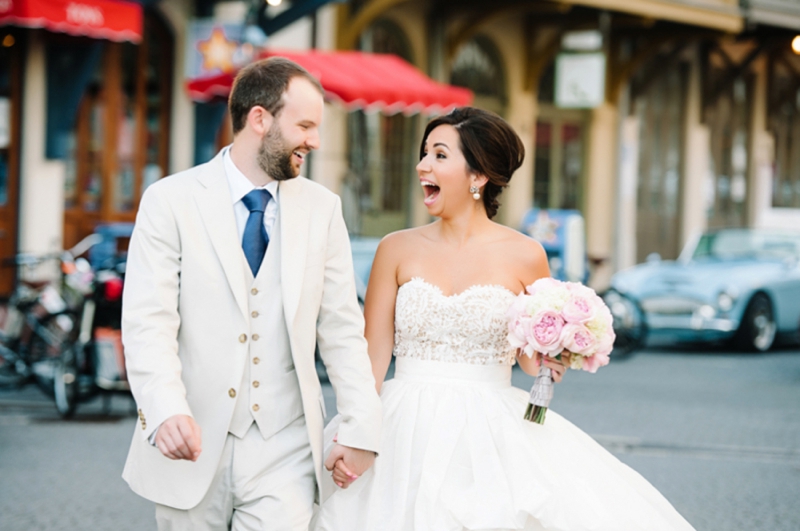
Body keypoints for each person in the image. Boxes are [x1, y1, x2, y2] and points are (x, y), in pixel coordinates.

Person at [313, 107, 696, 531]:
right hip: (402, 426)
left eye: (439, 155)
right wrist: (355, 433)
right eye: (424, 154)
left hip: (490, 432)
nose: (423, 165)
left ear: (478, 176)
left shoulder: (526, 254)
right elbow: (371, 361)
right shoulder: (395, 249)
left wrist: (557, 358)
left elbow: (530, 360)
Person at [121, 57, 382, 530]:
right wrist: (164, 409)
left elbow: (343, 328)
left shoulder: (323, 209)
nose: (315, 141)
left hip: (286, 446)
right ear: (259, 119)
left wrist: (361, 428)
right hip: (191, 440)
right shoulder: (170, 201)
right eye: (304, 125)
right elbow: (148, 321)